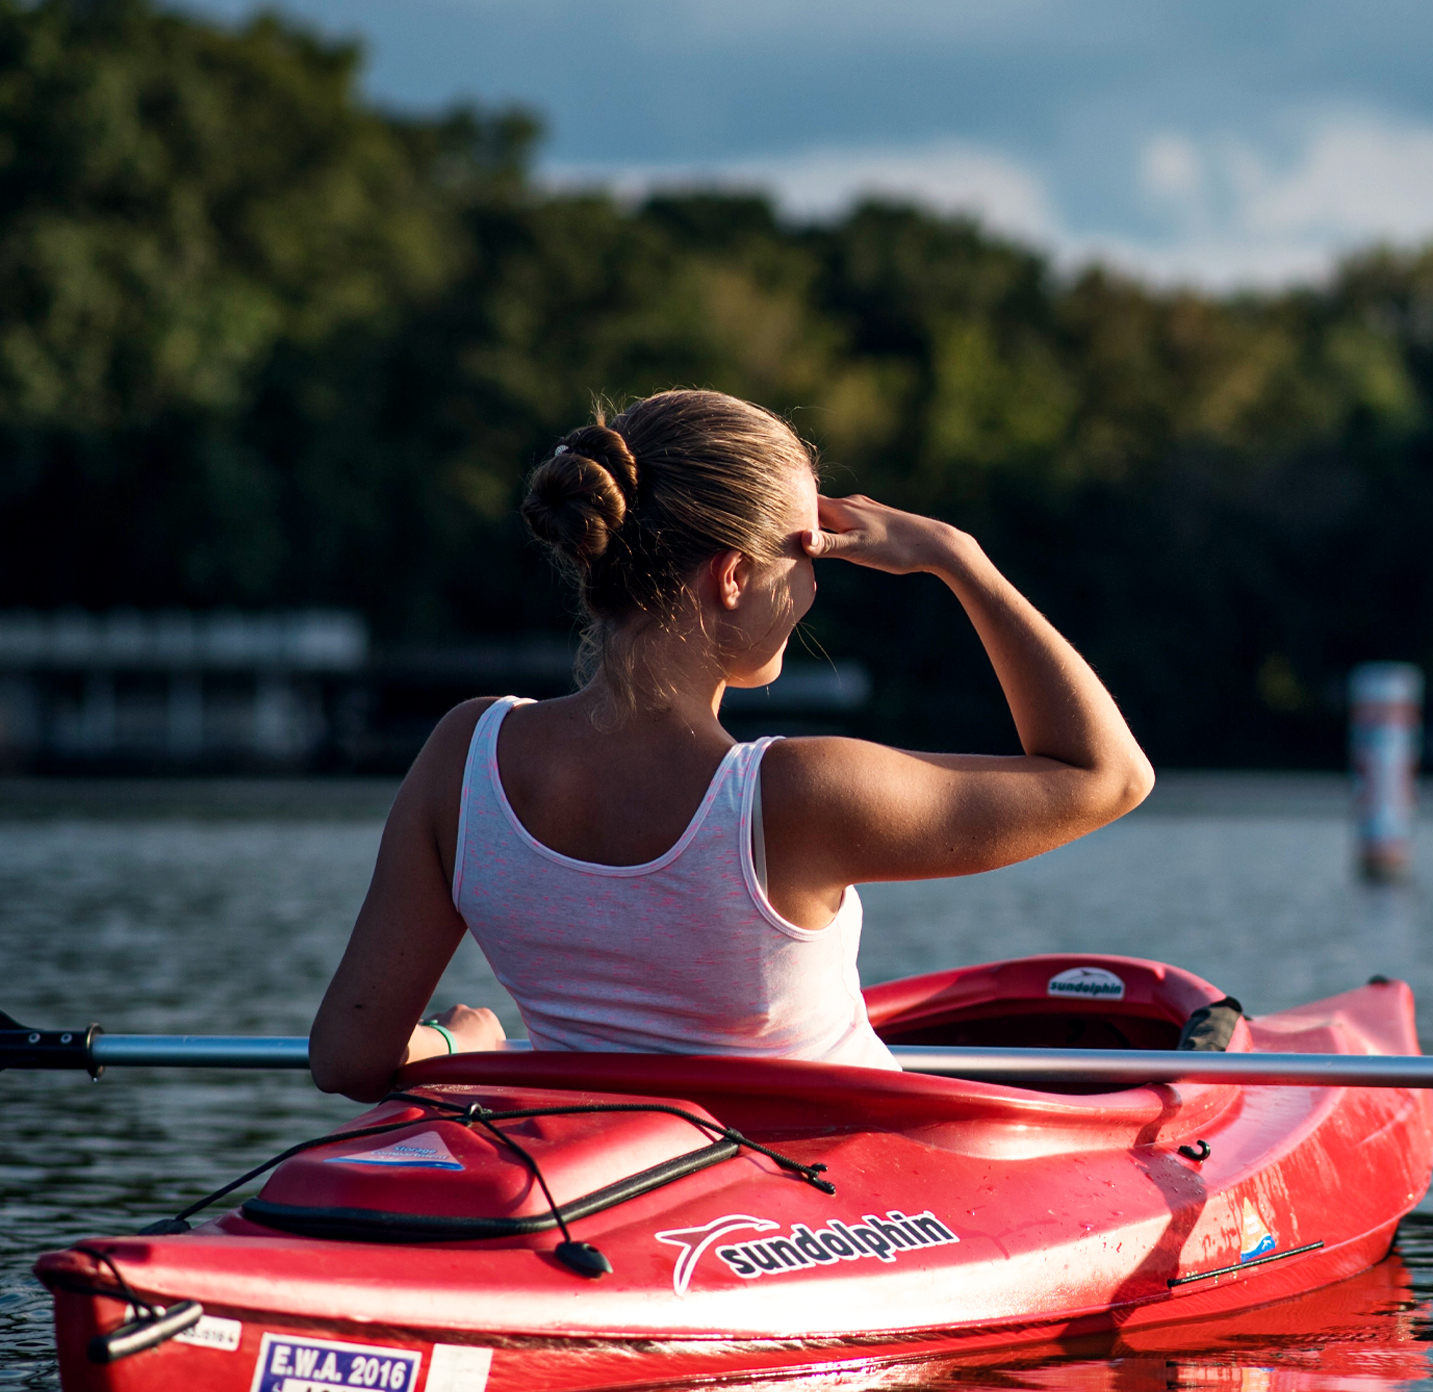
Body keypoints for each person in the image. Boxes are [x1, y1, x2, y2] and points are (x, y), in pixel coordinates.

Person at [307, 389, 1153, 1100]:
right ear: (735, 577)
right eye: (809, 549)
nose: (818, 581)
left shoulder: (467, 753)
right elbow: (1109, 773)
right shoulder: (798, 793)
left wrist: (463, 1053)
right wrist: (958, 559)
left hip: (620, 1201)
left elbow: (350, 1056)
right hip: (827, 1214)